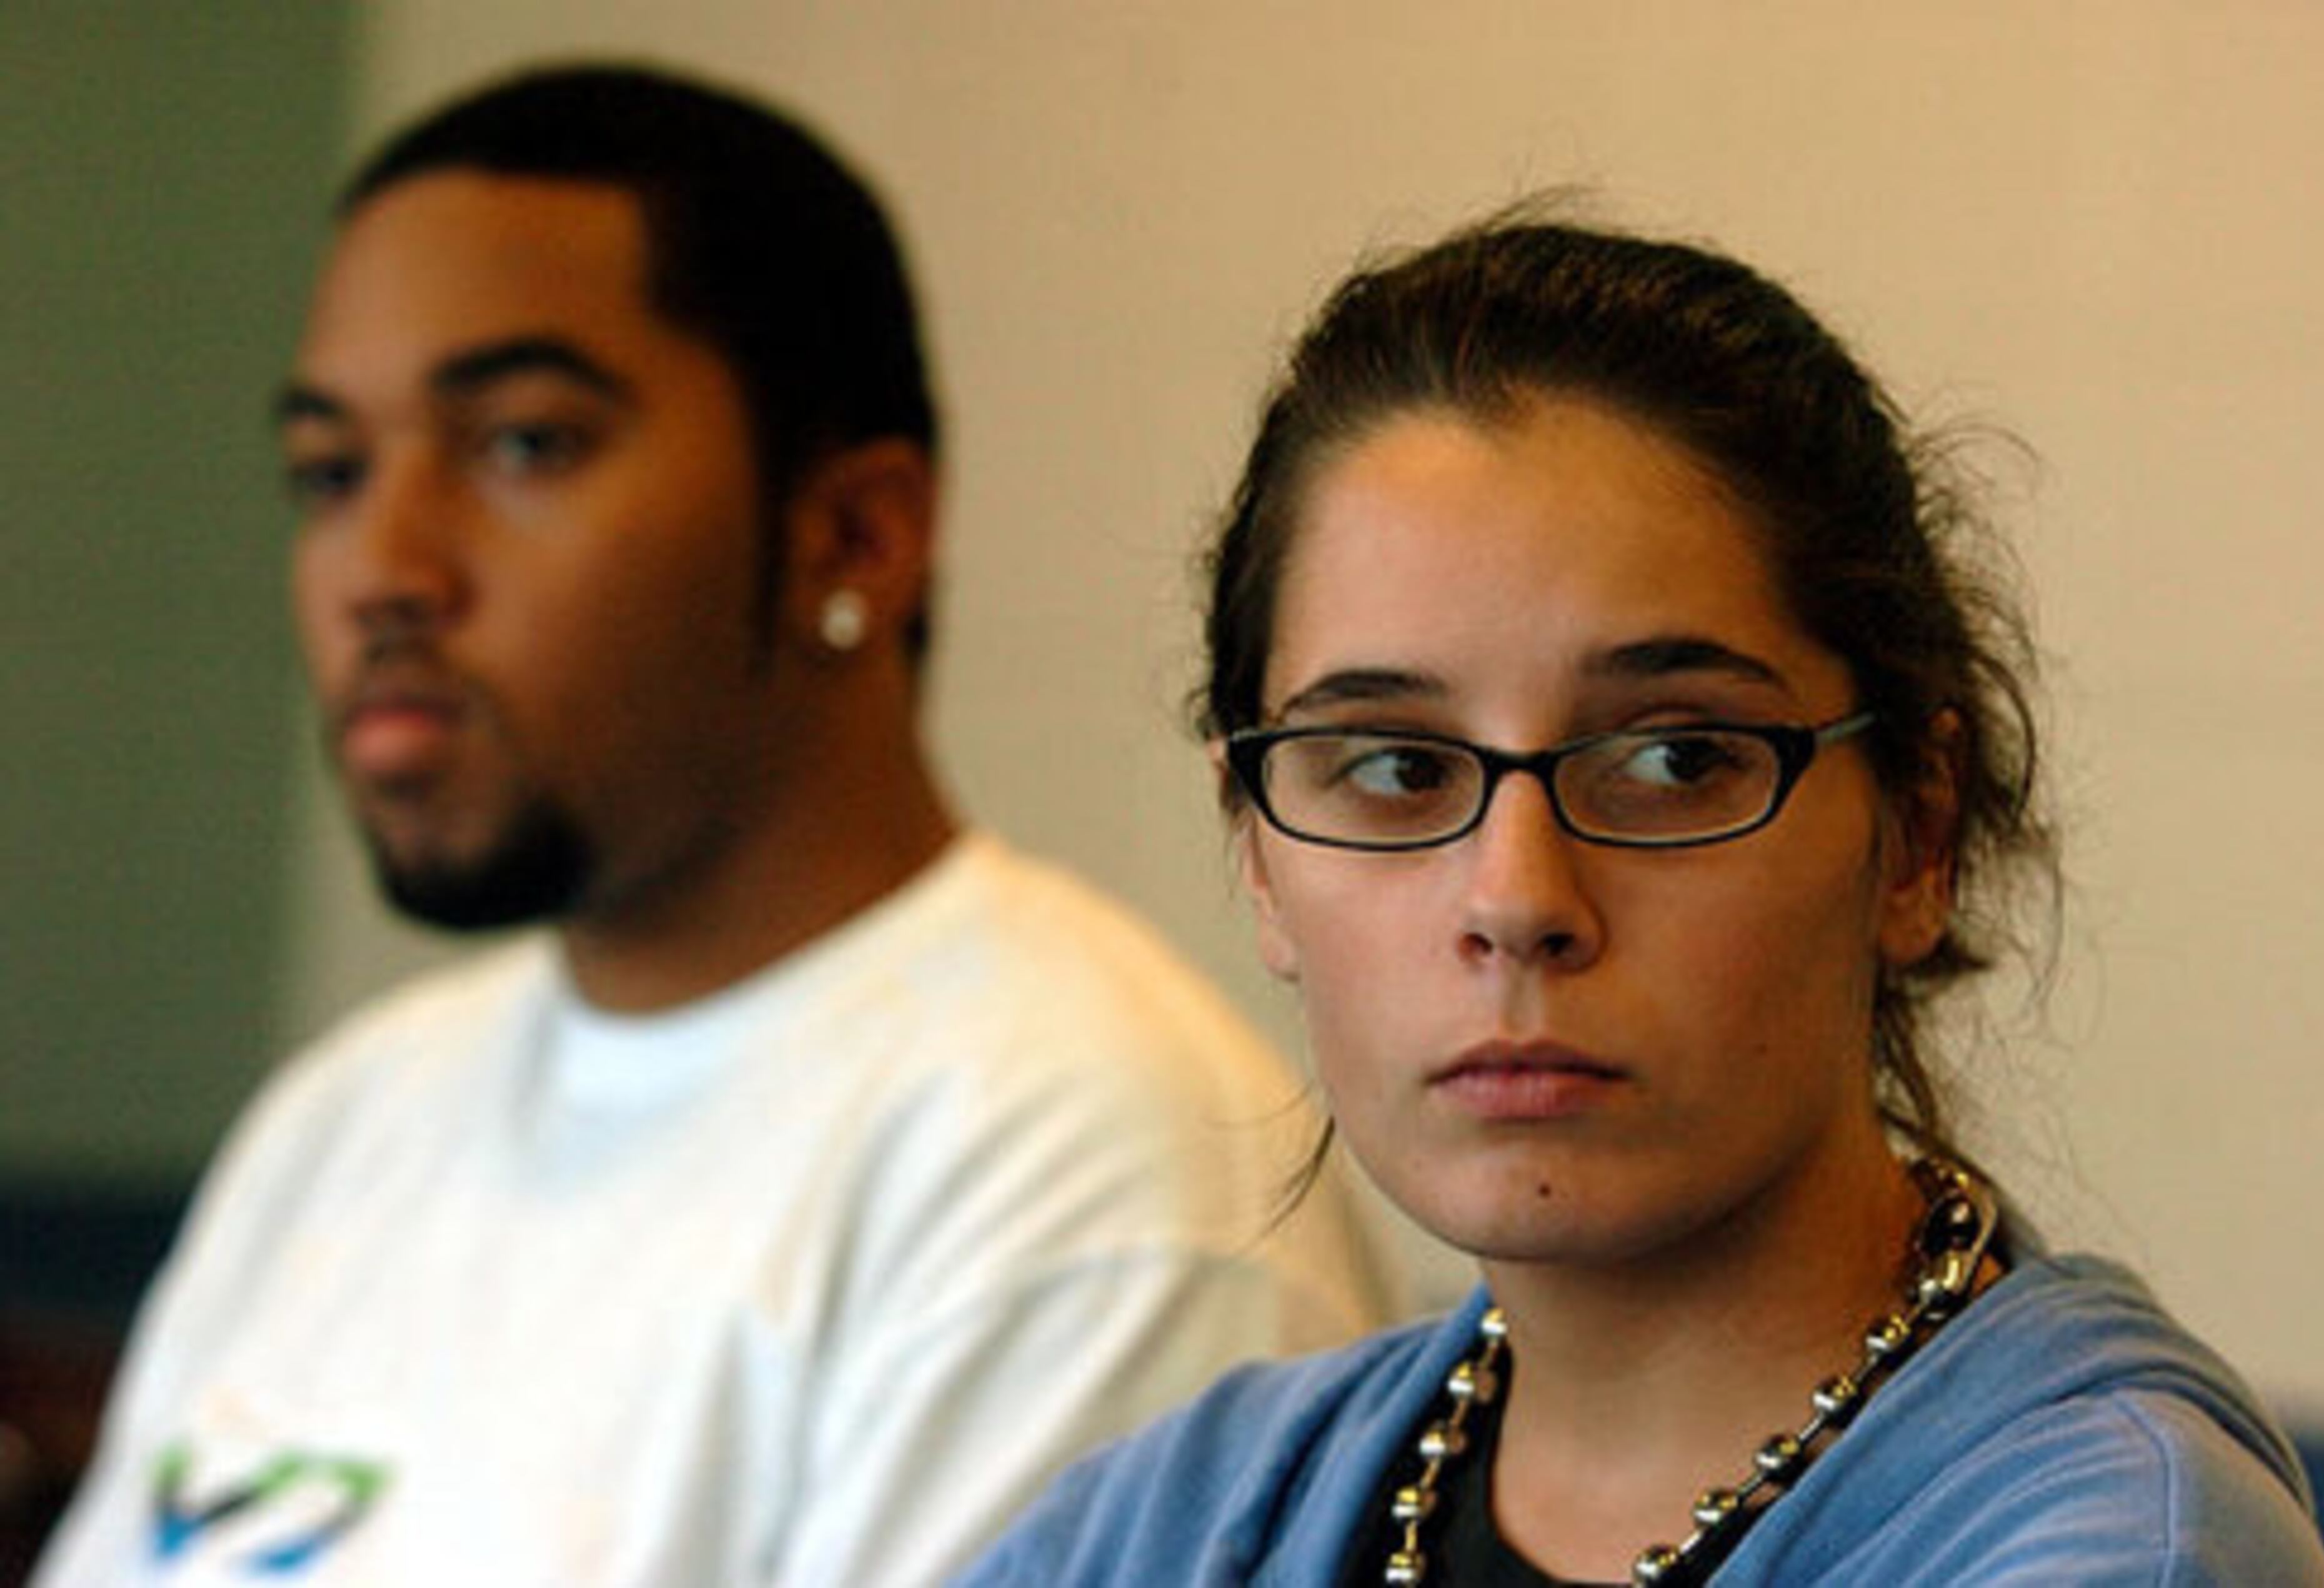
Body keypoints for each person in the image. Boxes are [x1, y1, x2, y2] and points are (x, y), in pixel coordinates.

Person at [36, 63, 1395, 1587]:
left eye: (523, 444)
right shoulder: (349, 1119)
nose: (382, 567)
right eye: (330, 472)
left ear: (855, 534)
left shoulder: (1081, 1164)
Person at [960, 219, 2324, 1585]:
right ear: (1257, 853)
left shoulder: (2108, 1548)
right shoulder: (1183, 1517)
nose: (1517, 898)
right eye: (1394, 766)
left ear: (1917, 831)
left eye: (1675, 758)